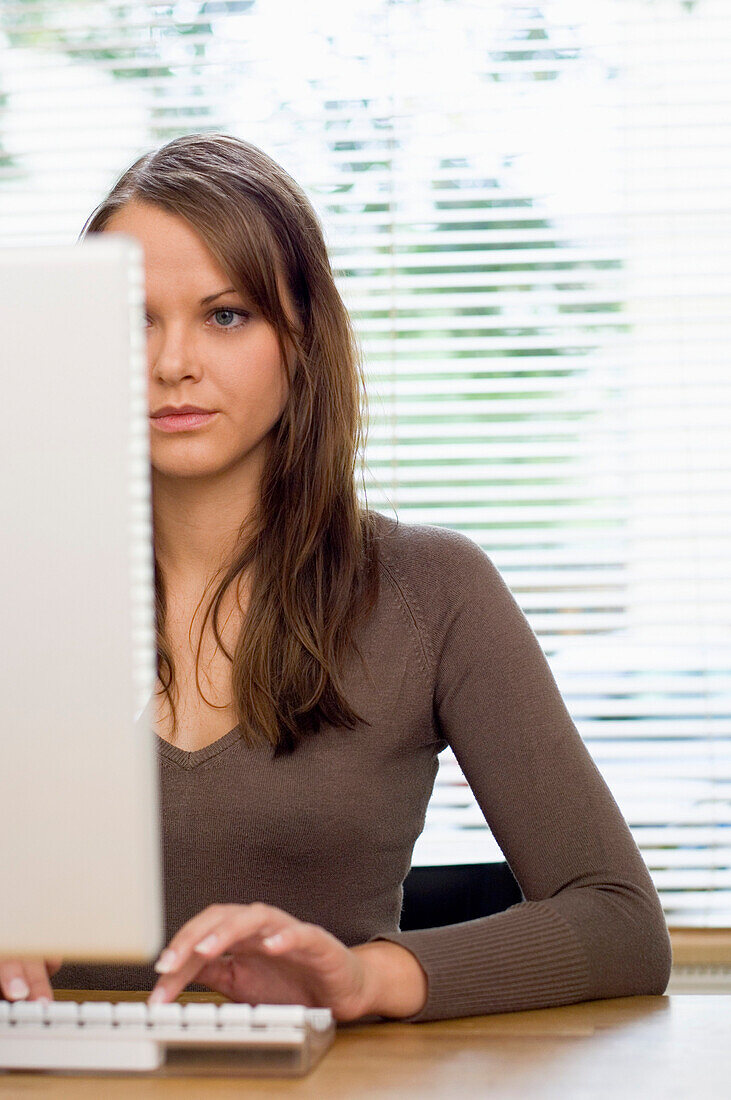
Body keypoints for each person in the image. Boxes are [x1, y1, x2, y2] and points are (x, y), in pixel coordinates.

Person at [0, 132, 671, 1023]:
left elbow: (619, 924)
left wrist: (366, 979)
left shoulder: (432, 592)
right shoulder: (28, 590)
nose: (172, 363)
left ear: (300, 336)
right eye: (134, 321)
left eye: (226, 314)